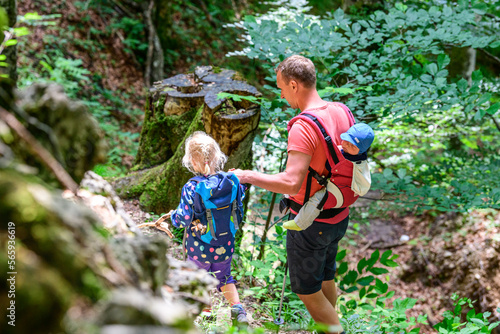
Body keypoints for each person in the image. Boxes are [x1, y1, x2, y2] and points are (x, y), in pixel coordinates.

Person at [232, 55, 352, 334]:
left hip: (310, 223)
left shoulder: (303, 126)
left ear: (295, 85)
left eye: (282, 88)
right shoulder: (341, 111)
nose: (282, 94)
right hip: (338, 216)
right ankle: (325, 329)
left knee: (308, 292)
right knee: (325, 278)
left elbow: (290, 183)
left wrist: (246, 175)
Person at [170, 131, 248, 324]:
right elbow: (240, 206)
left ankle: (206, 316)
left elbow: (184, 218)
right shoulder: (232, 181)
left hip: (199, 246)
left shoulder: (192, 187)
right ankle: (238, 311)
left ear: (192, 162)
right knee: (225, 278)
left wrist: (172, 217)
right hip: (225, 244)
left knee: (198, 277)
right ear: (216, 156)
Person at [283, 122, 375, 231]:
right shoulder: (353, 154)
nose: (346, 145)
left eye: (353, 146)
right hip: (347, 189)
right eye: (347, 141)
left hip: (342, 194)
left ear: (361, 150)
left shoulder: (348, 161)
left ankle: (300, 223)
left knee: (318, 199)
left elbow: (328, 164)